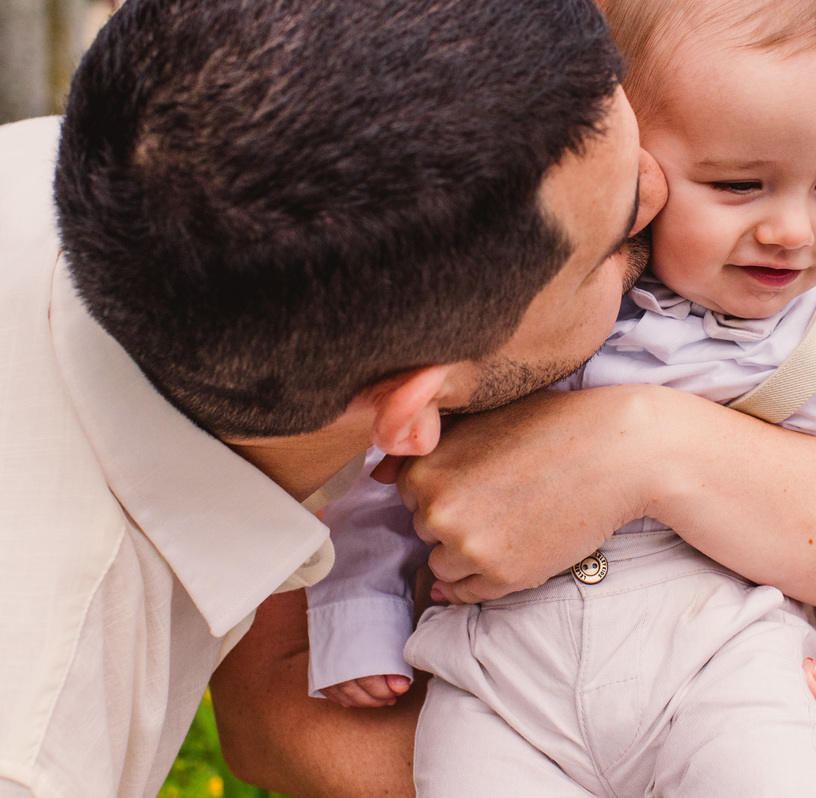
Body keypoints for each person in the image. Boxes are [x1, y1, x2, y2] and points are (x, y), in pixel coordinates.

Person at [206, 12, 816, 798]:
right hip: (495, 702)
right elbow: (352, 520)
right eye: (735, 184)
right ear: (631, 169)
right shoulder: (429, 135)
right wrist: (367, 624)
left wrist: (645, 451)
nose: (794, 229)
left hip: (764, 705)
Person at [0, 0, 671, 794]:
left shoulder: (130, 158)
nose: (664, 190)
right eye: (620, 231)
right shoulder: (45, 738)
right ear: (410, 411)